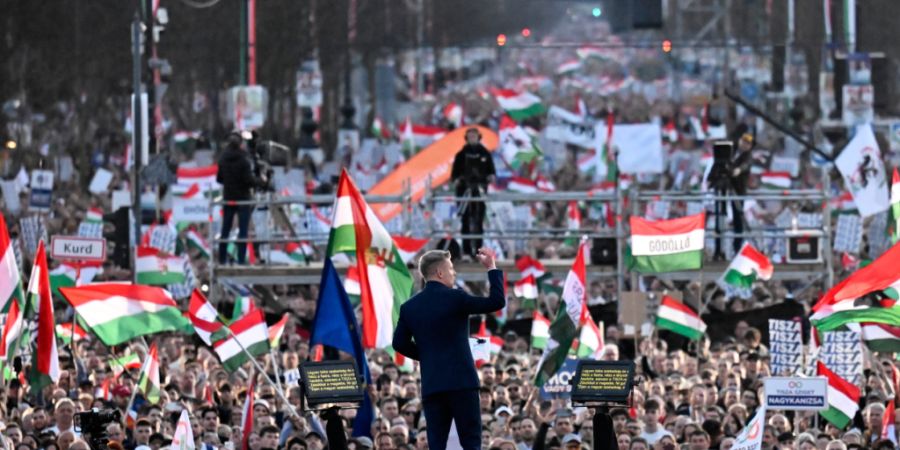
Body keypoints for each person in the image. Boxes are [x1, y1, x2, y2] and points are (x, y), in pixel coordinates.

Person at [392, 248, 505, 449]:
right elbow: (497, 302)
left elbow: (399, 343)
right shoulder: (456, 298)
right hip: (462, 384)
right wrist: (491, 268)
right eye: (451, 268)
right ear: (440, 273)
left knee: (436, 445)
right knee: (471, 443)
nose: (454, 273)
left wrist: (427, 355)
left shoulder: (409, 307)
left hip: (433, 385)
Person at [216, 132, 266, 265]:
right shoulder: (243, 160)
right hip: (243, 199)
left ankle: (221, 260)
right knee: (243, 231)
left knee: (225, 231)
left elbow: (219, 178)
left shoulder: (223, 159)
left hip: (228, 198)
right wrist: (261, 181)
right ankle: (241, 260)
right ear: (240, 144)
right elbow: (248, 180)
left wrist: (229, 182)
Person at [450, 128, 496, 259]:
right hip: (464, 191)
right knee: (465, 220)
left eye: (474, 136)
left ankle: (479, 251)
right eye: (469, 136)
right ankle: (466, 251)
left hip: (480, 191)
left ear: (479, 137)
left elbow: (491, 172)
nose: (472, 139)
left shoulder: (485, 154)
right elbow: (454, 175)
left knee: (479, 220)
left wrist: (488, 178)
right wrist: (459, 180)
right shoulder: (461, 155)